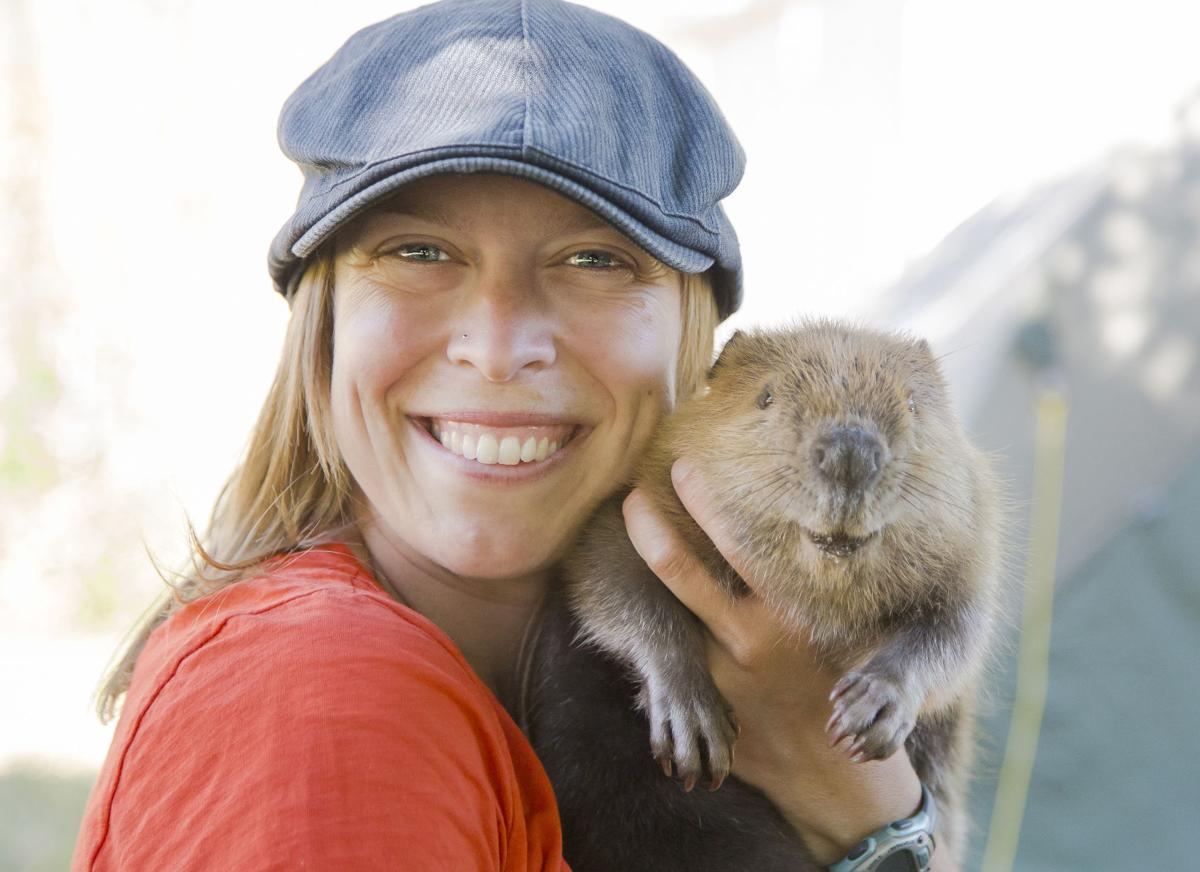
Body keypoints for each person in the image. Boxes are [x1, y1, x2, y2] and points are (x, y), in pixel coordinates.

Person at [72, 1, 952, 870]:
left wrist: (862, 803)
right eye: (418, 252)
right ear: (324, 322)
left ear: (699, 346)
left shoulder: (688, 670)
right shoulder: (329, 696)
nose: (497, 350)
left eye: (596, 260)